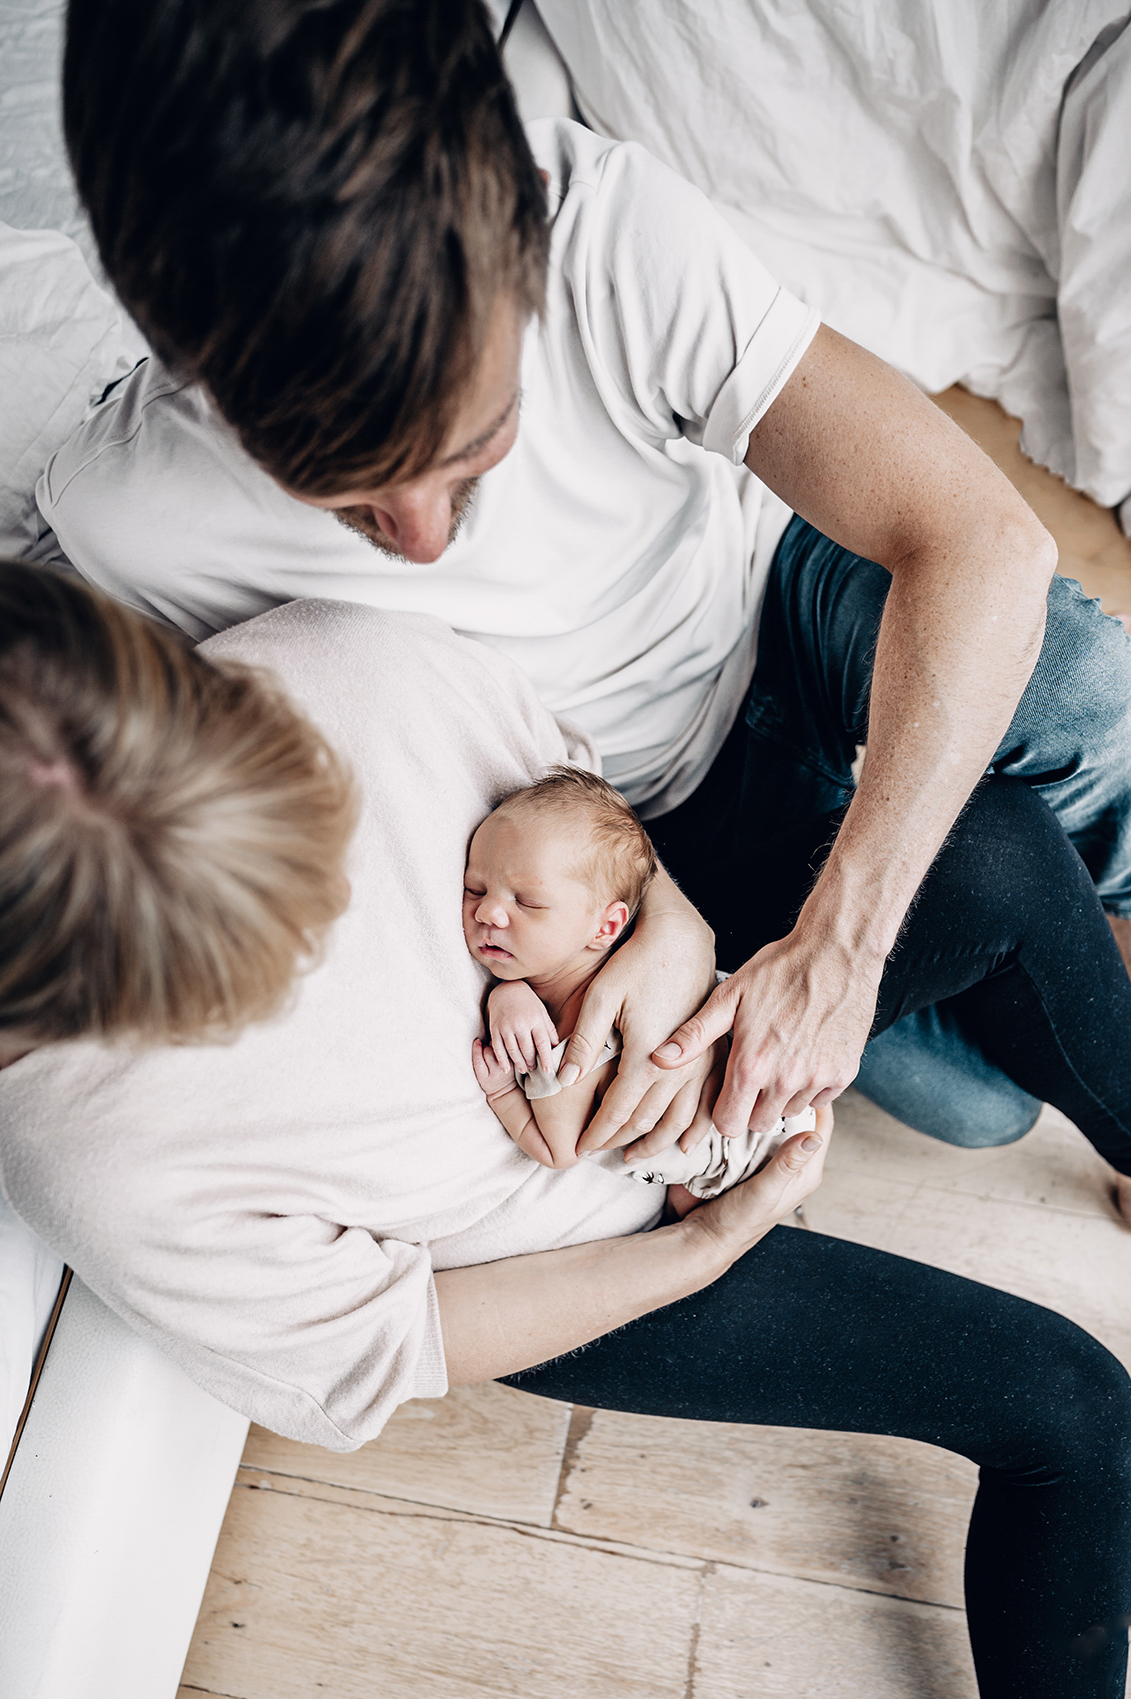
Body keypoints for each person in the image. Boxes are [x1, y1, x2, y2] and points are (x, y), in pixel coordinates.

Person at [1, 560, 1130, 1695]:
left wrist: (675, 954)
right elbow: (406, 1337)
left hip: (689, 1025)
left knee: (995, 847)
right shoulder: (91, 1152)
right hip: (602, 1251)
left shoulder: (344, 662)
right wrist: (701, 1246)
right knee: (1076, 1408)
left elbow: (593, 822)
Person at [52, 0, 1131, 1165]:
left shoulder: (594, 221)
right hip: (620, 831)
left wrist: (843, 945)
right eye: (349, 498)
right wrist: (652, 914)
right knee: (986, 1107)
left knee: (1070, 677)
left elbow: (984, 543)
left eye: (475, 449)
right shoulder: (129, 525)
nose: (421, 545)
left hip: (764, 601)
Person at [464, 765, 815, 1199]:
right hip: (772, 1080)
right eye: (475, 889)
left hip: (747, 1138)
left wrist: (501, 1092)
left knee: (689, 1193)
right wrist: (509, 989)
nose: (488, 913)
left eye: (528, 903)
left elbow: (559, 1150)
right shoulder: (583, 956)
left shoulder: (568, 1049)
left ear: (606, 927)